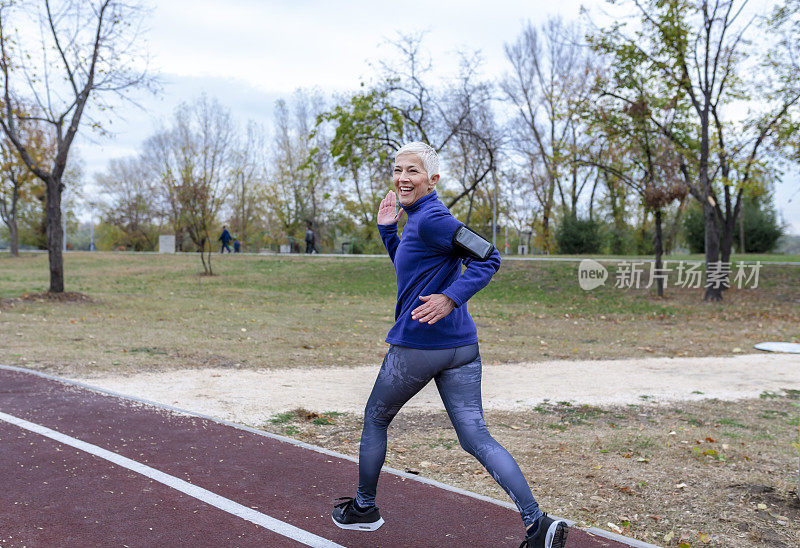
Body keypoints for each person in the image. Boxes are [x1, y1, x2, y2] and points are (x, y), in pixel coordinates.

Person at [331, 142, 568, 548]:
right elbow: (412, 269)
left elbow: (489, 257)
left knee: (375, 418)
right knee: (474, 435)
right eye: (397, 170)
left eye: (413, 172)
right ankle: (537, 524)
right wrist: (389, 230)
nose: (403, 178)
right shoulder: (417, 220)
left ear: (432, 180)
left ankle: (365, 510)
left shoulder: (434, 219)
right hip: (461, 346)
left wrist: (450, 297)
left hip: (422, 345)